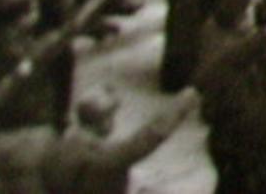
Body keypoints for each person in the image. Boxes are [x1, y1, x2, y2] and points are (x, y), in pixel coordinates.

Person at [38, 83, 198, 194]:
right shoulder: (100, 154)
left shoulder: (58, 144)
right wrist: (182, 103)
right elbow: (148, 137)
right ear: (104, 121)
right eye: (112, 116)